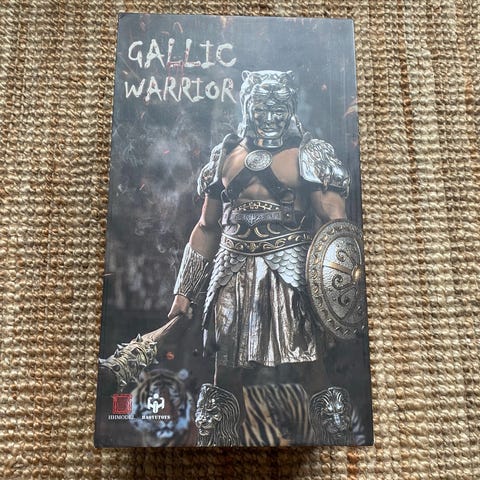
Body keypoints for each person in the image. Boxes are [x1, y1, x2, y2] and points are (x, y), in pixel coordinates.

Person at [168, 70, 351, 444]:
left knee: (310, 366)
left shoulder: (307, 155)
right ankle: (220, 445)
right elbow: (207, 227)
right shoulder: (225, 155)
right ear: (246, 106)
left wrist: (341, 289)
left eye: (278, 108)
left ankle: (334, 442)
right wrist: (183, 292)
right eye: (261, 107)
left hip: (290, 271)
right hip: (231, 271)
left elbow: (335, 222)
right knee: (225, 370)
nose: (270, 116)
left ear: (290, 108)